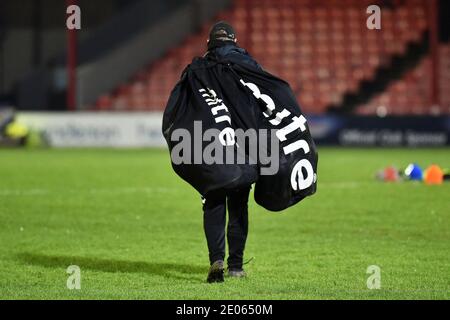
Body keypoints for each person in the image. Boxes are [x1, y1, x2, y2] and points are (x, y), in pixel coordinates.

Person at [201, 21, 261, 283]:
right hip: (244, 142)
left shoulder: (197, 68)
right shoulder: (247, 64)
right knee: (239, 204)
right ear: (234, 41)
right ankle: (236, 266)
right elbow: (264, 99)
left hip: (211, 145)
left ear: (209, 43)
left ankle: (216, 259)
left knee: (213, 200)